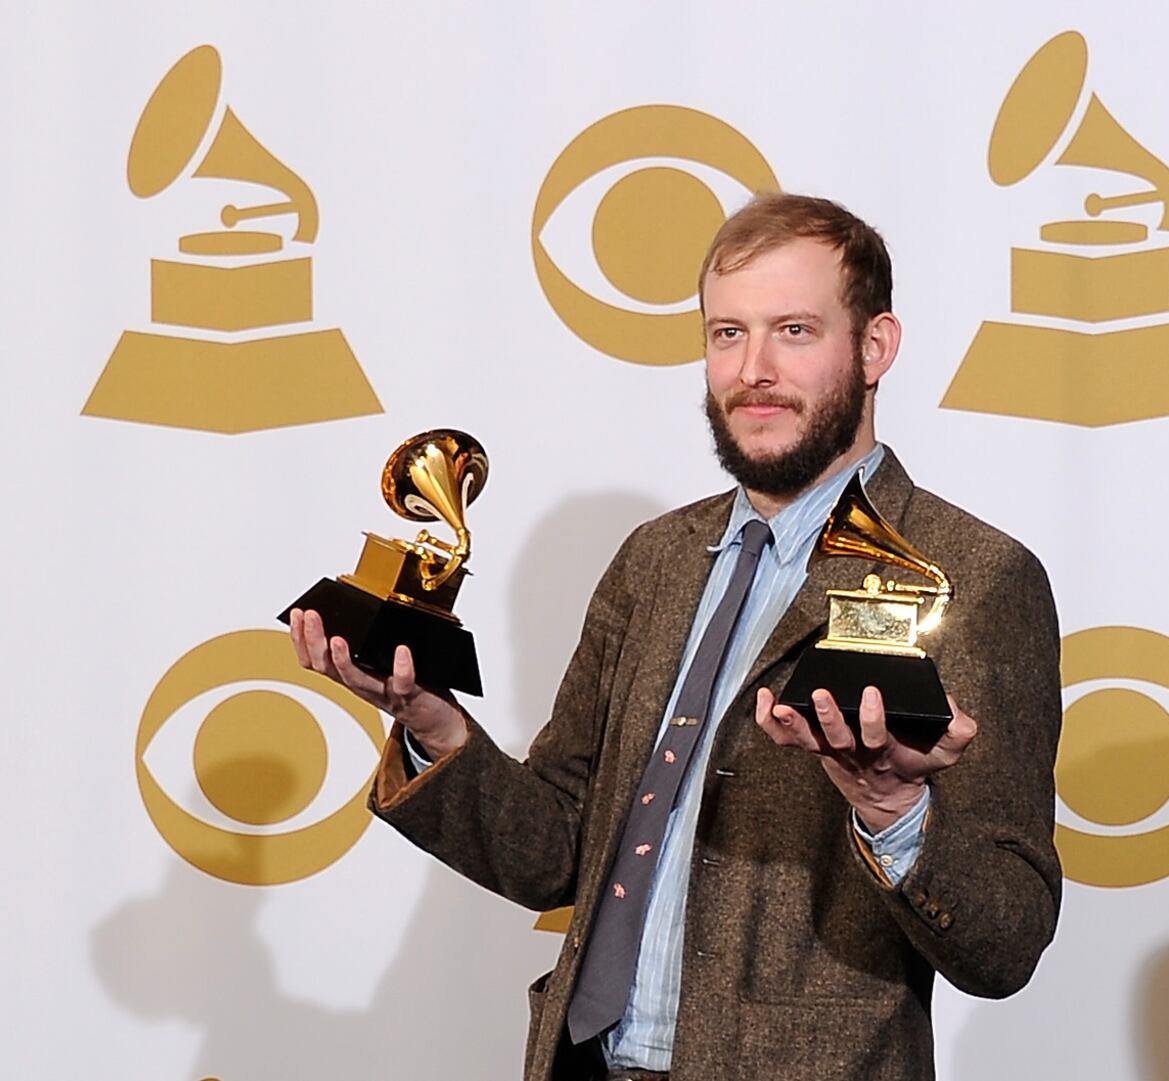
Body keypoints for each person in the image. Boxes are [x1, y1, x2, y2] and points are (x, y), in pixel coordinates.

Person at [290, 193, 1062, 1081]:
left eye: (796, 331)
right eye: (727, 333)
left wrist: (896, 815)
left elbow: (1007, 937)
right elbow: (553, 852)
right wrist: (432, 725)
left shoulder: (975, 575)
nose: (754, 369)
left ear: (876, 347)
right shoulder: (655, 560)